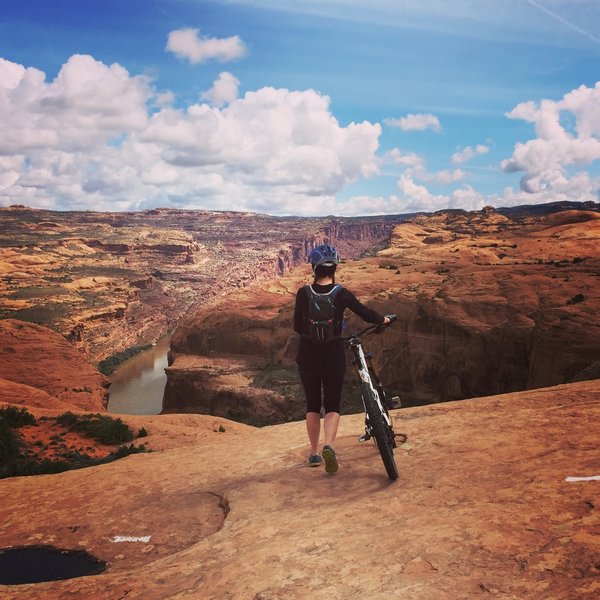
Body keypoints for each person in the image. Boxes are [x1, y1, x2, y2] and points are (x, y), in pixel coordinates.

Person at [293, 244, 390, 473]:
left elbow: (298, 326)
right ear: (334, 268)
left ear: (313, 268)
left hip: (307, 356)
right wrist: (383, 320)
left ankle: (315, 453)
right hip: (333, 354)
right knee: (334, 404)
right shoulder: (341, 293)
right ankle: (329, 445)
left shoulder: (303, 293)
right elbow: (366, 314)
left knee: (313, 405)